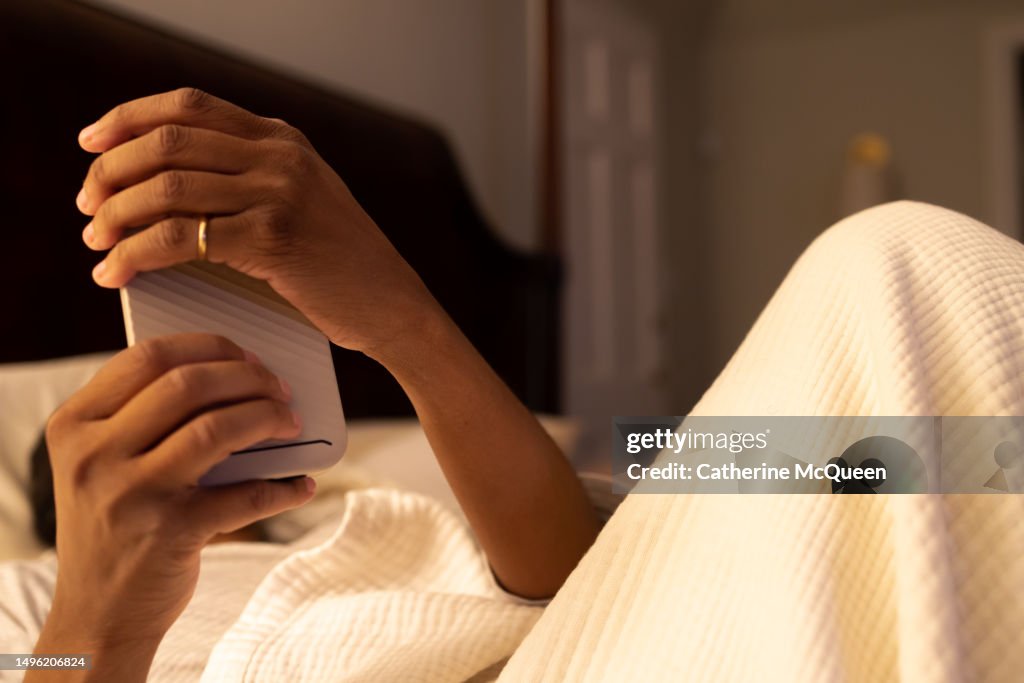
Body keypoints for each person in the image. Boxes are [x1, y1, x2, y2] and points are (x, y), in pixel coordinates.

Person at [14, 88, 602, 682]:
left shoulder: (358, 528)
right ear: (60, 493)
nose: (183, 396)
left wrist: (405, 321)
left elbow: (577, 593)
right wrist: (96, 616)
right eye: (128, 420)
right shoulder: (32, 598)